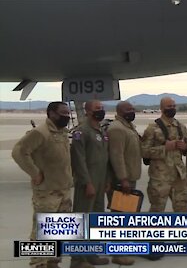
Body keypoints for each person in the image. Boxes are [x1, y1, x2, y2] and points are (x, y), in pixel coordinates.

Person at [11, 102, 73, 268]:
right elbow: (19, 151)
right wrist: (34, 173)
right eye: (63, 113)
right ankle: (38, 263)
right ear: (52, 114)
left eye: (68, 113)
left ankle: (53, 261)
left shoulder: (61, 132)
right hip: (47, 192)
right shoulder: (41, 132)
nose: (67, 116)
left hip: (63, 189)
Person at [70, 100, 109, 268]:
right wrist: (87, 183)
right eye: (96, 109)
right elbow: (78, 160)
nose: (100, 111)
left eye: (101, 108)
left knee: (95, 219)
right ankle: (77, 260)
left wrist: (106, 181)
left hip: (100, 182)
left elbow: (104, 159)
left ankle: (91, 254)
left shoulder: (101, 130)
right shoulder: (81, 131)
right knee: (82, 219)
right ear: (87, 112)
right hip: (87, 183)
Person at [107, 101, 141, 266]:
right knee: (120, 218)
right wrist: (123, 179)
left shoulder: (128, 126)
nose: (132, 111)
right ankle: (118, 254)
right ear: (119, 111)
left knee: (126, 217)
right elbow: (116, 156)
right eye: (128, 109)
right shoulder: (117, 129)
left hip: (129, 179)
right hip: (122, 182)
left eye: (133, 108)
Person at [141, 97, 187, 212]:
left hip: (179, 177)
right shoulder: (152, 128)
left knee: (182, 209)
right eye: (169, 107)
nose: (172, 109)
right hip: (160, 177)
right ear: (162, 108)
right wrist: (164, 148)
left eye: (173, 106)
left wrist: (186, 148)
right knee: (157, 210)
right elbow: (144, 151)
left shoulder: (180, 127)